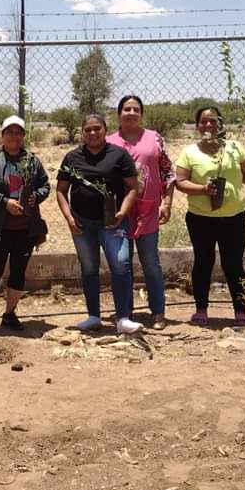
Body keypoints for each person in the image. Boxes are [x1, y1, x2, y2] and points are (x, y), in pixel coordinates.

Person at [55, 114, 142, 334]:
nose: (93, 133)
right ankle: (93, 316)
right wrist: (69, 217)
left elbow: (133, 187)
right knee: (89, 268)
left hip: (113, 222)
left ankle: (122, 318)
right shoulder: (72, 158)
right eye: (88, 130)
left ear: (105, 130)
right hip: (82, 224)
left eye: (97, 129)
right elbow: (61, 190)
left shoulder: (119, 155)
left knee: (121, 265)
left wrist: (123, 211)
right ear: (82, 132)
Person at [175, 106, 245, 326]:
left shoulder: (234, 147)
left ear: (220, 124)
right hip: (201, 218)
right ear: (198, 125)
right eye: (203, 122)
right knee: (203, 262)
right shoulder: (189, 152)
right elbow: (180, 182)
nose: (208, 125)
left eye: (213, 121)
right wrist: (202, 190)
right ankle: (201, 310)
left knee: (234, 263)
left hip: (235, 217)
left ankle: (240, 311)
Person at [0, 116, 50, 338]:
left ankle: (10, 313)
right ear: (2, 135)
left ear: (23, 136)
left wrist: (37, 196)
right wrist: (3, 202)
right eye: (10, 132)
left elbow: (45, 185)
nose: (14, 136)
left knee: (18, 272)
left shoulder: (32, 160)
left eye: (19, 132)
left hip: (26, 227)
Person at [107, 95, 176, 330]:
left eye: (136, 109)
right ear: (119, 114)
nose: (131, 112)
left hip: (148, 210)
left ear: (141, 114)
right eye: (127, 109)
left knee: (150, 262)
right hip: (120, 211)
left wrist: (166, 202)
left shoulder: (154, 138)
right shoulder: (109, 142)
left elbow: (168, 172)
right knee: (121, 263)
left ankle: (158, 312)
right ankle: (125, 314)